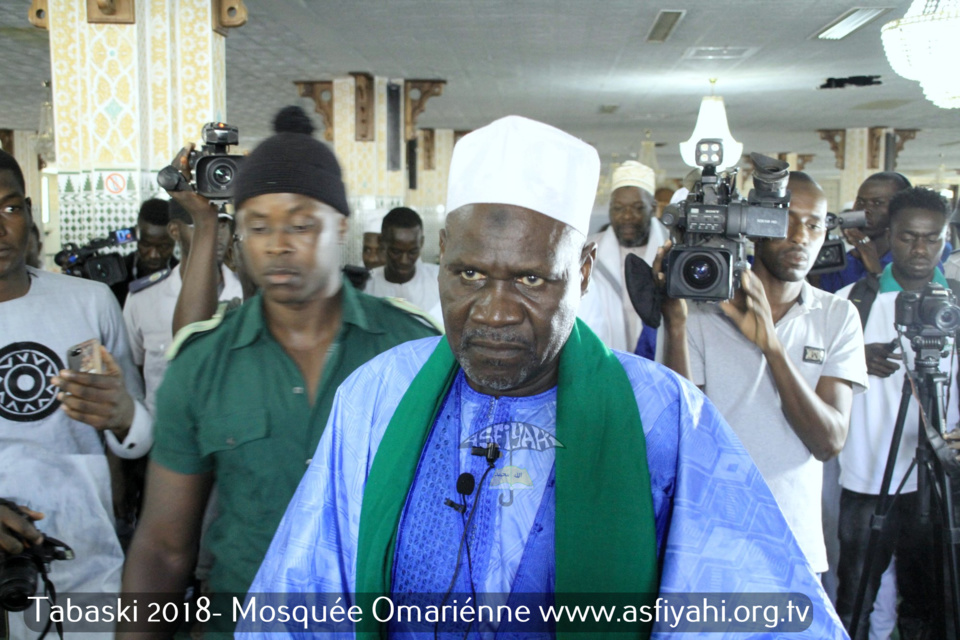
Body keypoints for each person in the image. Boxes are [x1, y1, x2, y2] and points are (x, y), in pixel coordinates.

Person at [243, 116, 845, 638]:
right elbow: (301, 601)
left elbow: (754, 611)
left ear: (582, 272)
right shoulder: (378, 396)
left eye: (532, 279)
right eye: (471, 274)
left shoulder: (663, 416)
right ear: (443, 256)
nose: (495, 311)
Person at [120, 106, 441, 639]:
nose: (279, 244)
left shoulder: (413, 351)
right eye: (258, 226)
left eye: (300, 223)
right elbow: (162, 548)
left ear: (340, 227)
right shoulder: (204, 363)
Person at [658, 172, 868, 579]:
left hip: (795, 543)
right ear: (754, 226)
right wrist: (675, 324)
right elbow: (678, 434)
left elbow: (828, 441)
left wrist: (772, 346)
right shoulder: (697, 310)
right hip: (710, 537)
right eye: (787, 220)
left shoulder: (837, 316)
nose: (801, 236)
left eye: (814, 224)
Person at [0, 149, 151, 639]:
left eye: (9, 208)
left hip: (88, 563)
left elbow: (136, 434)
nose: (1, 228)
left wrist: (125, 416)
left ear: (27, 210)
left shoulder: (88, 303)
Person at [835, 187, 960, 640]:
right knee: (854, 598)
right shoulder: (851, 302)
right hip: (868, 476)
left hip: (942, 480)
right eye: (909, 237)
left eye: (934, 238)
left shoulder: (958, 303)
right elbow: (812, 380)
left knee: (935, 604)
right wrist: (850, 359)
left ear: (947, 237)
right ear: (890, 234)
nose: (922, 249)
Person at [123, 199, 241, 414]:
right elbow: (134, 376)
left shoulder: (249, 295)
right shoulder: (143, 300)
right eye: (200, 223)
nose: (214, 232)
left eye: (222, 223)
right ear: (174, 230)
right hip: (164, 437)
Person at [578, 160, 669, 357]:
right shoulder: (587, 252)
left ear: (653, 208)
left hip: (659, 358)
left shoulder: (671, 251)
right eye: (618, 208)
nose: (627, 216)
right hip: (605, 359)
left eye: (637, 207)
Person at [815, 173, 951, 294]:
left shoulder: (915, 260)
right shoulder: (846, 260)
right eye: (861, 202)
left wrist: (873, 264)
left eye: (877, 203)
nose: (866, 210)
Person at [365, 206, 440, 312]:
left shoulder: (439, 281)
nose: (404, 261)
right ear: (381, 242)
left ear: (421, 242)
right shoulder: (368, 286)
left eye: (412, 252)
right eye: (396, 252)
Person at [110, 197, 178, 305]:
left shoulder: (182, 276)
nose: (154, 255)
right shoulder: (117, 275)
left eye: (164, 246)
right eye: (146, 245)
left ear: (175, 239)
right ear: (136, 236)